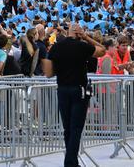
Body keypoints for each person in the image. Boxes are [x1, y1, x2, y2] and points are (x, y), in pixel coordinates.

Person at [42, 23, 105, 167]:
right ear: (78, 33)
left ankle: (71, 161)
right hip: (79, 90)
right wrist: (86, 37)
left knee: (68, 128)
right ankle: (70, 162)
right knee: (76, 128)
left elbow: (48, 72)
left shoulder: (56, 47)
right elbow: (102, 51)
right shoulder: (82, 46)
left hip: (62, 89)